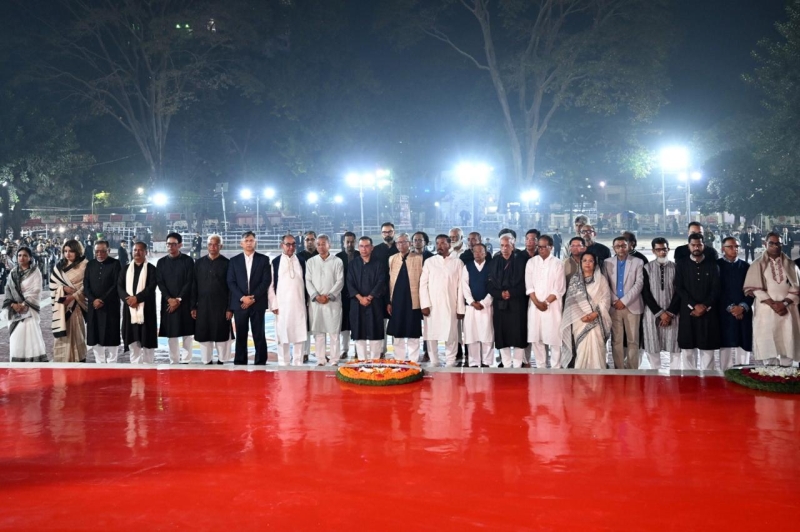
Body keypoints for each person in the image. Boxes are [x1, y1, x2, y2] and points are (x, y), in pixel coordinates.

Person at [744, 232, 800, 366]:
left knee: (788, 343)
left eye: (778, 243)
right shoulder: (757, 264)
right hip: (766, 310)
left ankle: (787, 378)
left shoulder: (791, 265)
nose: (775, 246)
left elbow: (797, 287)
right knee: (768, 344)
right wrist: (774, 305)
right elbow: (755, 288)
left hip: (788, 310)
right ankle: (770, 376)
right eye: (772, 243)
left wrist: (784, 303)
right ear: (765, 244)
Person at [674, 233, 721, 370]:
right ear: (689, 246)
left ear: (703, 245)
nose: (696, 247)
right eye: (693, 245)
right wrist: (694, 305)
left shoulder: (713, 265)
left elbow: (716, 289)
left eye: (699, 244)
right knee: (688, 350)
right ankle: (690, 381)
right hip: (688, 312)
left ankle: (708, 382)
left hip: (708, 313)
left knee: (708, 350)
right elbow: (679, 288)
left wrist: (705, 306)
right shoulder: (681, 265)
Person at [561, 251, 612, 369]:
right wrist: (582, 315)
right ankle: (581, 378)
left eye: (591, 261)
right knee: (581, 349)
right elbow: (571, 301)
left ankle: (598, 377)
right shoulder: (575, 280)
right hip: (580, 320)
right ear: (580, 263)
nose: (587, 263)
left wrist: (594, 314)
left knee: (597, 349)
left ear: (595, 263)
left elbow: (606, 299)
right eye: (584, 261)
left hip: (598, 320)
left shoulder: (601, 280)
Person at [420, 234, 465, 366]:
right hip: (432, 306)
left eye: (442, 243)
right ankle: (434, 361)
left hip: (450, 305)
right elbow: (423, 285)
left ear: (449, 244)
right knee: (431, 335)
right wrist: (424, 304)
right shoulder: (430, 262)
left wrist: (460, 308)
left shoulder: (457, 263)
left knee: (451, 335)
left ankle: (451, 361)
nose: (439, 246)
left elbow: (461, 287)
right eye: (437, 243)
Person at [227, 231, 272, 365]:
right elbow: (231, 282)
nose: (249, 243)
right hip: (240, 304)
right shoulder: (234, 261)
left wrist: (252, 298)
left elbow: (266, 281)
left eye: (251, 240)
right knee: (241, 335)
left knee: (259, 334)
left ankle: (260, 361)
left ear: (255, 242)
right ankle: (240, 361)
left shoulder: (263, 260)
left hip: (257, 303)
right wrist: (242, 298)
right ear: (241, 243)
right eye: (246, 241)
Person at [487, 234, 528, 367]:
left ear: (513, 246)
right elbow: (489, 283)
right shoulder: (494, 262)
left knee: (518, 333)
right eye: (502, 245)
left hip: (517, 303)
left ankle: (517, 364)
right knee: (501, 333)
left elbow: (525, 282)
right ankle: (505, 364)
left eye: (507, 245)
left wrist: (511, 292)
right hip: (500, 304)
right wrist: (500, 293)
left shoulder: (521, 261)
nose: (504, 248)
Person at [192, 234, 234, 365]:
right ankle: (206, 360)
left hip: (221, 306)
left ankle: (223, 360)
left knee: (221, 333)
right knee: (204, 333)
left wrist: (229, 308)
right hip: (203, 306)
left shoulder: (227, 264)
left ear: (221, 246)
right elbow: (194, 286)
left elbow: (231, 288)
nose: (213, 247)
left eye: (216, 244)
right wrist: (193, 306)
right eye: (210, 244)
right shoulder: (199, 263)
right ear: (207, 245)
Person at [603, 237, 644, 369]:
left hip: (632, 306)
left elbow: (639, 284)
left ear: (629, 247)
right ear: (613, 248)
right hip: (614, 306)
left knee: (633, 340)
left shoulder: (638, 262)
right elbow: (605, 284)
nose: (621, 248)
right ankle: (619, 369)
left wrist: (624, 301)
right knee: (616, 340)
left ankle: (633, 369)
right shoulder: (607, 262)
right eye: (618, 246)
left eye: (623, 245)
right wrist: (615, 300)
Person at [526, 235, 566, 368]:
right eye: (539, 247)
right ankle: (540, 367)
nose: (541, 249)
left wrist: (546, 303)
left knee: (554, 338)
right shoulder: (531, 262)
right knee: (537, 339)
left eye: (544, 247)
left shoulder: (558, 263)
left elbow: (559, 288)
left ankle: (556, 367)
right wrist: (537, 303)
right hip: (535, 306)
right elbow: (529, 286)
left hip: (553, 306)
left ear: (551, 247)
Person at [641, 238, 681, 370]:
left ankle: (675, 376)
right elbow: (645, 293)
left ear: (668, 249)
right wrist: (659, 313)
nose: (662, 252)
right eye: (658, 249)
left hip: (673, 313)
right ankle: (654, 375)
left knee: (675, 347)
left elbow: (679, 292)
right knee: (653, 346)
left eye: (664, 249)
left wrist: (669, 313)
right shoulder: (647, 268)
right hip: (652, 313)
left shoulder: (676, 268)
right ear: (653, 251)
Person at [2, 247, 47, 362]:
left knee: (31, 338)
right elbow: (8, 290)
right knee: (17, 338)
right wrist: (13, 305)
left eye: (25, 255)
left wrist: (24, 305)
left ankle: (33, 364)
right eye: (19, 255)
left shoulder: (35, 272)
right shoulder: (13, 273)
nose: (21, 258)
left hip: (29, 310)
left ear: (30, 257)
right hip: (15, 310)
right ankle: (17, 364)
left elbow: (36, 291)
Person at [157, 232, 196, 364]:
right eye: (168, 244)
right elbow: (160, 283)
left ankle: (186, 361)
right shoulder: (161, 262)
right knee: (171, 334)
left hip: (184, 302)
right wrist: (169, 299)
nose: (170, 247)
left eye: (173, 244)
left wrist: (179, 299)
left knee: (187, 334)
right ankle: (174, 361)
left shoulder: (188, 261)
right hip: (168, 302)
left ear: (180, 245)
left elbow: (189, 282)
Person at [305, 234, 344, 366]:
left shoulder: (337, 261)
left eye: (323, 243)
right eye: (319, 244)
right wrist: (316, 296)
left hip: (332, 302)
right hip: (316, 303)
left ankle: (334, 360)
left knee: (334, 332)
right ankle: (320, 359)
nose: (321, 246)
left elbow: (340, 281)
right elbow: (308, 281)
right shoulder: (311, 262)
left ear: (329, 244)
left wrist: (329, 296)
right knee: (319, 333)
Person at [269, 234, 308, 366]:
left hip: (299, 304)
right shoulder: (275, 262)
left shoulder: (302, 261)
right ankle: (283, 362)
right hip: (282, 306)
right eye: (288, 244)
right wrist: (273, 304)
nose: (291, 247)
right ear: (282, 245)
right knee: (282, 335)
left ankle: (298, 362)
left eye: (293, 244)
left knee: (299, 334)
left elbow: (307, 283)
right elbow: (271, 285)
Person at [347, 236, 387, 361]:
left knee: (375, 333)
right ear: (358, 248)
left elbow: (381, 282)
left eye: (367, 246)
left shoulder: (379, 264)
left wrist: (369, 297)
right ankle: (362, 362)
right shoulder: (353, 264)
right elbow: (349, 283)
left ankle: (375, 362)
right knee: (359, 334)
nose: (364, 249)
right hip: (357, 304)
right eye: (361, 246)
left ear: (372, 247)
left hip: (374, 303)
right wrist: (360, 298)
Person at [387, 233, 423, 362]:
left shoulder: (418, 258)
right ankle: (399, 360)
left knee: (413, 332)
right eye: (398, 242)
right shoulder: (392, 259)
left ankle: (414, 361)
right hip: (396, 300)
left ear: (409, 243)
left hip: (413, 300)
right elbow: (390, 281)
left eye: (403, 242)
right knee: (398, 332)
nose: (400, 245)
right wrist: (389, 302)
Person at [717, 236, 753, 369]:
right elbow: (717, 291)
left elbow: (751, 290)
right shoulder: (717, 266)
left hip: (744, 312)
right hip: (725, 312)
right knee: (725, 345)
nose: (734, 249)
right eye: (730, 247)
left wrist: (742, 307)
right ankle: (724, 374)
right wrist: (732, 308)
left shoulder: (746, 266)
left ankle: (744, 374)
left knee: (743, 344)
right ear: (723, 249)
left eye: (737, 246)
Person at [119, 242, 158, 363]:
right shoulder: (125, 269)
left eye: (140, 250)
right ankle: (134, 368)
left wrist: (137, 298)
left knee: (147, 342)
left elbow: (151, 287)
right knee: (133, 341)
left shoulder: (151, 269)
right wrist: (128, 299)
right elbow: (119, 287)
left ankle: (149, 368)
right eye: (135, 250)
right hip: (130, 309)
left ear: (146, 252)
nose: (137, 252)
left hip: (147, 310)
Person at [50, 239, 88, 363]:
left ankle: (78, 360)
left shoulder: (85, 265)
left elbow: (87, 285)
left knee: (77, 333)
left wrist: (74, 296)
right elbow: (53, 285)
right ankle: (62, 360)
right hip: (62, 306)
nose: (68, 254)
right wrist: (63, 288)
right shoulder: (59, 267)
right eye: (65, 251)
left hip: (76, 306)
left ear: (77, 251)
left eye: (71, 251)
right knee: (62, 334)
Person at [84, 240, 122, 363]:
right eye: (97, 251)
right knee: (95, 334)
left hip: (110, 306)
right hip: (93, 307)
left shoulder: (115, 264)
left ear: (108, 251)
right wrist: (93, 300)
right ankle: (99, 363)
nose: (99, 254)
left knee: (111, 334)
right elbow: (86, 285)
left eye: (103, 251)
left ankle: (112, 363)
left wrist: (102, 299)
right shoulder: (90, 265)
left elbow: (116, 284)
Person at [462, 243, 494, 367]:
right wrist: (471, 301)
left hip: (486, 306)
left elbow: (494, 287)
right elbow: (464, 286)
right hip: (471, 307)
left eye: (480, 251)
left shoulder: (491, 266)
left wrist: (484, 302)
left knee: (487, 335)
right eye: (475, 251)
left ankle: (487, 362)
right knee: (472, 335)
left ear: (485, 253)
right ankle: (474, 362)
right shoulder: (467, 267)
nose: (477, 254)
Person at [336, 231, 357, 358]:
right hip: (342, 296)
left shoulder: (360, 255)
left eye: (352, 241)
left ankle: (357, 351)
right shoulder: (338, 257)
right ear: (343, 243)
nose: (349, 244)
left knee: (357, 323)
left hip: (358, 296)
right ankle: (344, 350)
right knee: (344, 324)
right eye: (347, 242)